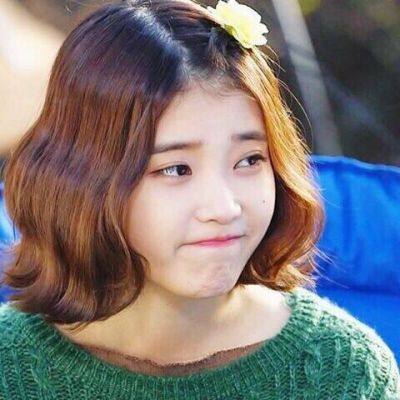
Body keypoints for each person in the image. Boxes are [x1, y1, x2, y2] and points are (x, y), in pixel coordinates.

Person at [0, 0, 399, 398]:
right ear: (80, 178)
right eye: (176, 169)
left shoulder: (345, 371)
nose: (224, 209)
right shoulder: (11, 366)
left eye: (249, 160)